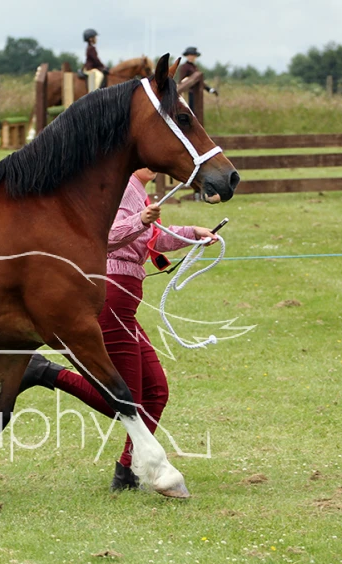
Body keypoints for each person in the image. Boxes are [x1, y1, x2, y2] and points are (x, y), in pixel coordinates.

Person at [19, 167, 218, 491]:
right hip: (112, 294)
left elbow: (150, 239)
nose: (155, 164)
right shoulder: (121, 185)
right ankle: (44, 372)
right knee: (127, 399)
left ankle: (127, 471)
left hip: (126, 299)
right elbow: (104, 237)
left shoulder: (135, 188)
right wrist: (140, 220)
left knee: (155, 391)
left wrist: (192, 233)